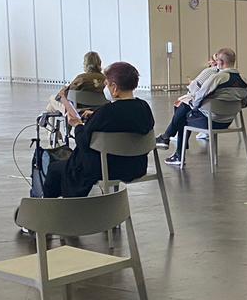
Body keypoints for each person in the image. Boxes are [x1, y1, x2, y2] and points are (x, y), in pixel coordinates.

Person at [33, 62, 155, 199]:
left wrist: (78, 125)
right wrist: (96, 115)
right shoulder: (144, 108)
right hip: (135, 167)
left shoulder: (106, 113)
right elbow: (123, 120)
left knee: (55, 169)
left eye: (107, 84)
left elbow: (83, 142)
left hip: (105, 169)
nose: (105, 87)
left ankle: (51, 211)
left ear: (114, 88)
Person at [156, 48, 247, 166]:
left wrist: (191, 104)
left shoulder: (217, 78)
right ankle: (167, 139)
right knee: (184, 107)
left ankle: (175, 150)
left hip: (209, 122)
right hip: (227, 122)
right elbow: (244, 104)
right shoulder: (245, 81)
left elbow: (199, 97)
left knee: (183, 110)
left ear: (220, 62)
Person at [46, 51, 108, 117]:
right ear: (100, 63)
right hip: (100, 110)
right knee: (51, 106)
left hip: (76, 111)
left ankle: (46, 120)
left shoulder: (81, 78)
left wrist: (64, 90)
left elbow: (67, 95)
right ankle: (45, 118)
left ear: (85, 64)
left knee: (52, 99)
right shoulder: (106, 79)